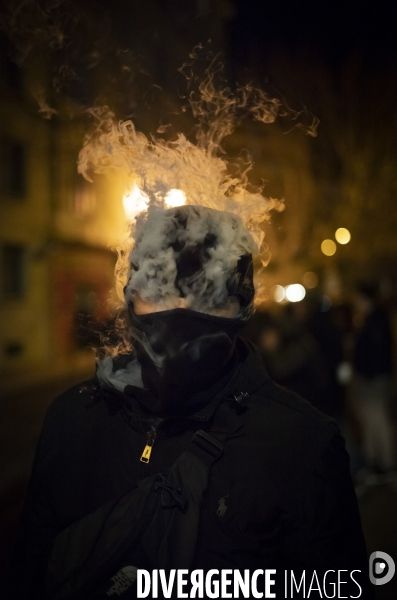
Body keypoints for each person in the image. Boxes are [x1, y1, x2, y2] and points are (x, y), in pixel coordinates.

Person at [6, 205, 372, 599]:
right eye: (162, 290)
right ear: (131, 297)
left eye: (206, 294)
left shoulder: (302, 445)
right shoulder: (72, 421)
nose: (180, 313)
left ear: (243, 306)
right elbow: (29, 576)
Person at [353, 282, 396, 477]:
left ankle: (386, 463)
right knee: (370, 419)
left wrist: (368, 372)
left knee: (378, 419)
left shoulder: (376, 319)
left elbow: (377, 351)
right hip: (370, 378)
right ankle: (375, 461)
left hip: (374, 379)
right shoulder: (369, 319)